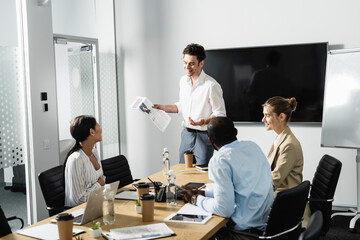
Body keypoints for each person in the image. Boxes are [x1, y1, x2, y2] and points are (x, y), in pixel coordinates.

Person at [181, 117, 274, 239]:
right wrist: (203, 193)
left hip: (246, 233)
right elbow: (240, 190)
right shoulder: (253, 147)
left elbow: (224, 209)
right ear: (236, 132)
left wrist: (195, 199)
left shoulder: (220, 160)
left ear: (210, 140)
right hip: (266, 226)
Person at [153, 43, 226, 165]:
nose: (187, 67)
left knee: (201, 173)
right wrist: (164, 108)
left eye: (191, 63)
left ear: (201, 63)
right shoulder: (183, 81)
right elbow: (182, 106)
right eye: (185, 62)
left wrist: (203, 121)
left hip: (204, 135)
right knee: (183, 170)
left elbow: (220, 114)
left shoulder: (211, 86)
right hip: (186, 133)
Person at [262, 96, 303, 194]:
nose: (263, 119)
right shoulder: (280, 137)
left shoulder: (289, 145)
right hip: (279, 193)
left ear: (281, 117)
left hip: (284, 198)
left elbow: (275, 180)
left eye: (267, 115)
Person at [63, 115, 105, 207]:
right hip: (80, 212)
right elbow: (78, 200)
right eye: (98, 126)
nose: (101, 129)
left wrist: (100, 184)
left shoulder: (94, 152)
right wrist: (98, 184)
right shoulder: (76, 160)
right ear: (92, 132)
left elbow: (103, 180)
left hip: (96, 205)